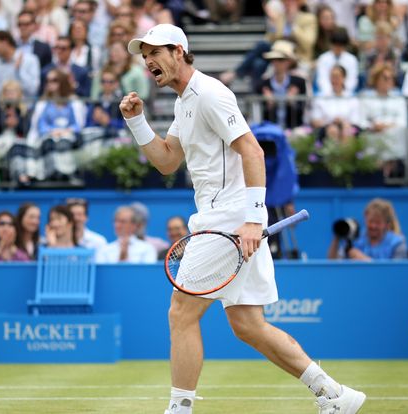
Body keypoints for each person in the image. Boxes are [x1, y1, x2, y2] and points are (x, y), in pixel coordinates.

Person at [120, 23, 365, 414]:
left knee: (181, 312)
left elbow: (253, 151)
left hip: (229, 220)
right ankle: (335, 395)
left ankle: (179, 409)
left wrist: (252, 220)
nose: (148, 60)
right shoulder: (185, 101)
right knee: (248, 325)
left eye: (155, 52)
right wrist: (137, 121)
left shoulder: (210, 94)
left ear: (179, 51)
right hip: (227, 220)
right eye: (144, 54)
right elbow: (167, 160)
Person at [327, 198, 408, 261]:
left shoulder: (397, 243)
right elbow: (333, 263)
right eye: (370, 221)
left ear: (387, 224)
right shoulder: (355, 239)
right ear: (365, 218)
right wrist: (337, 237)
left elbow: (397, 272)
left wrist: (365, 260)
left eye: (378, 222)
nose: (373, 226)